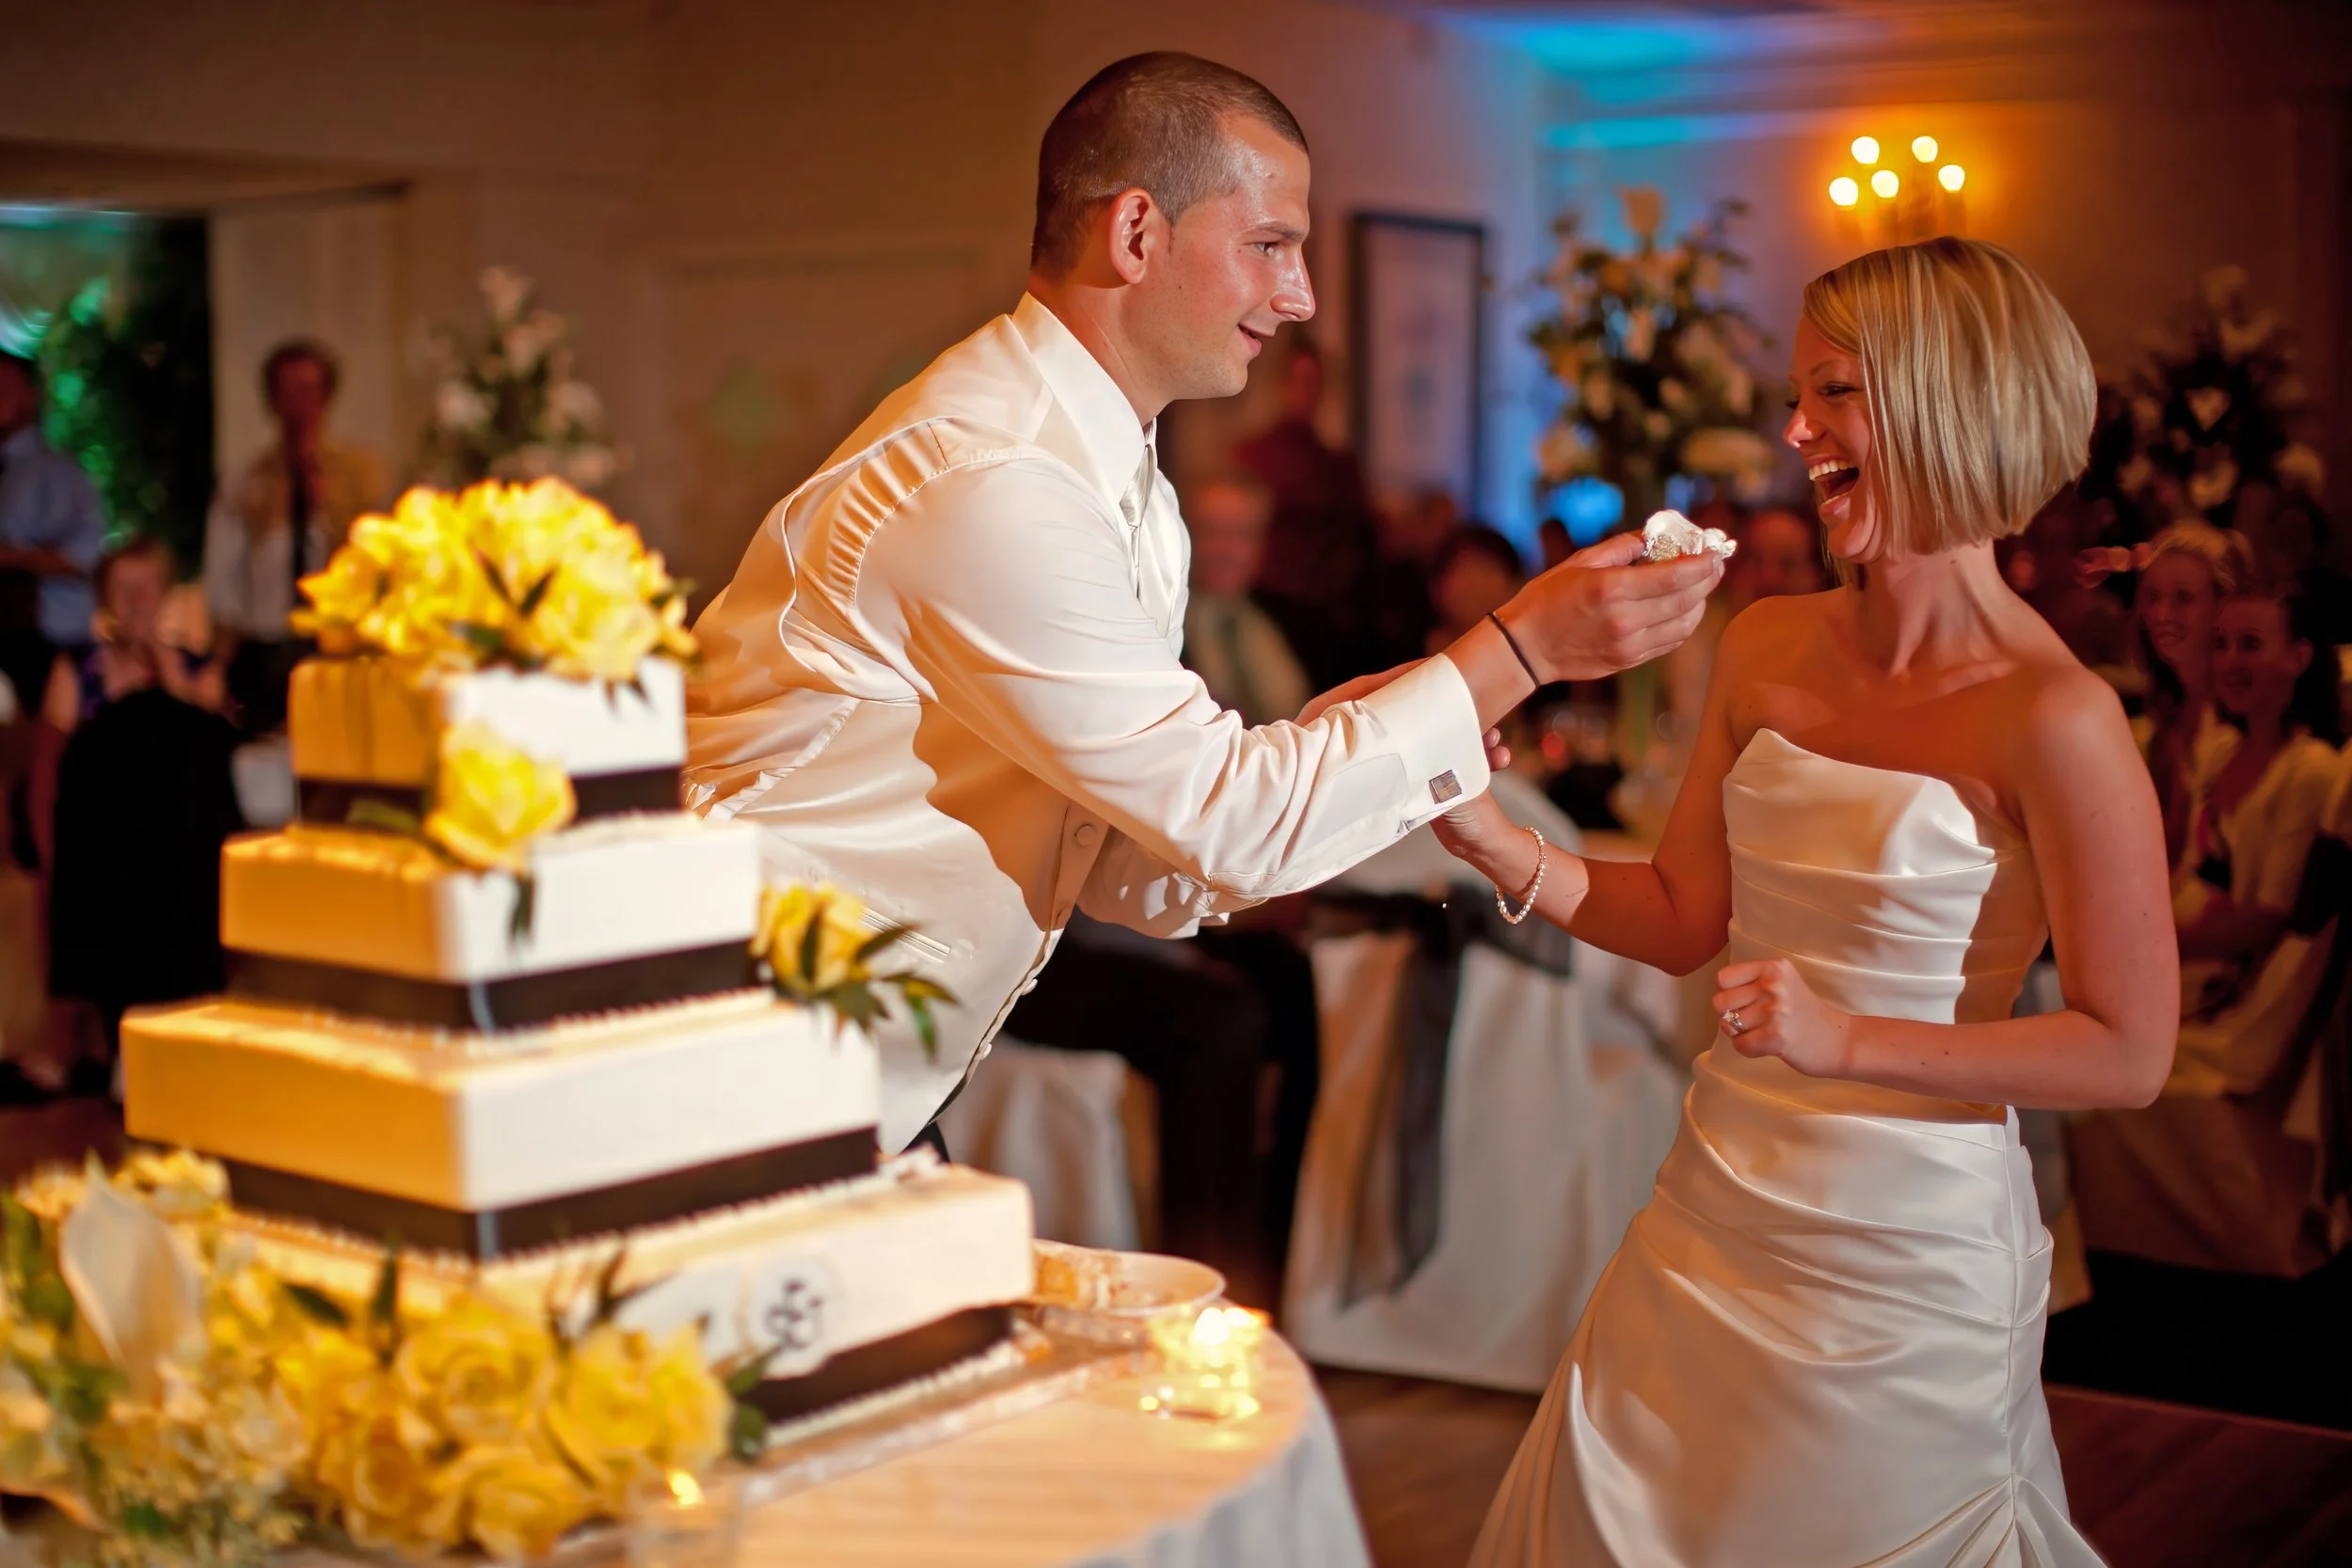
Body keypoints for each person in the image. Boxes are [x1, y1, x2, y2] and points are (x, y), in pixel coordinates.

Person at [683, 52, 1721, 1157]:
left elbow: (1141, 859)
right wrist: (1518, 649)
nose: (1302, 294)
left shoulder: (1129, 493)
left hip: (864, 1079)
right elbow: (1224, 824)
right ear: (1137, 233)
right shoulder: (987, 479)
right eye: (1270, 244)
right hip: (730, 1055)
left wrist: (1356, 740)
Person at [1435, 237, 2174, 1566]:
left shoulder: (2058, 714)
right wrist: (1500, 847)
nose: (1794, 429)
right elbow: (1678, 912)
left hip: (1909, 1254)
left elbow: (2130, 1047)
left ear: (1944, 402)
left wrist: (1847, 1039)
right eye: (1799, 395)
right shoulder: (1766, 641)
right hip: (1712, 1207)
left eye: (1832, 393)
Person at [203, 339, 388, 735]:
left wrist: (332, 510)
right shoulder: (244, 483)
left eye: (310, 388)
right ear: (272, 400)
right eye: (288, 390)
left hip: (339, 650)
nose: (300, 403)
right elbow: (223, 582)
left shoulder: (362, 477)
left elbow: (377, 564)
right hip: (266, 651)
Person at [2126, 521, 2255, 869]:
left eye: (2183, 598)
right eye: (2152, 597)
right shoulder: (2166, 715)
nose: (2160, 615)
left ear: (2224, 603)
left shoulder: (2245, 724)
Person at [40, 536, 224, 735]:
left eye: (147, 587)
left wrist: (166, 663)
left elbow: (204, 741)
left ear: (165, 592)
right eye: (123, 588)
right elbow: (54, 751)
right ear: (105, 598)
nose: (137, 601)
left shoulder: (203, 671)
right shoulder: (75, 668)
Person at [0, 353, 105, 673]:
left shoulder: (59, 473)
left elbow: (85, 556)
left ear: (33, 396)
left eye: (4, 385)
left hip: (51, 647)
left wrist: (12, 558)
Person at [1180, 473, 1312, 725]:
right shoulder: (1160, 628)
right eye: (1211, 531)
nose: (1227, 550)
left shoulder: (1298, 623)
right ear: (1184, 536)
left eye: (1244, 533)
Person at [1423, 525, 1528, 654]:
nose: (1476, 585)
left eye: (1487, 570)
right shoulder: (1410, 664)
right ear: (1436, 586)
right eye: (1464, 570)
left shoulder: (1533, 658)